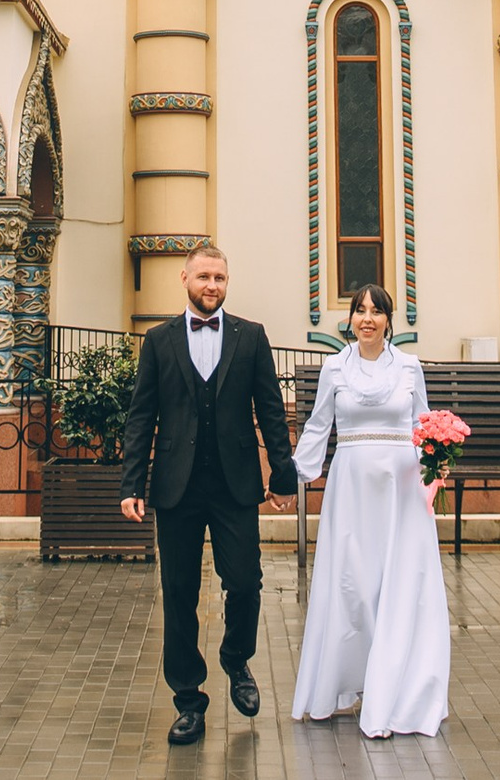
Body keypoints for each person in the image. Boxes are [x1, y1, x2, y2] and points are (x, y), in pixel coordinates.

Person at [116, 244, 297, 745]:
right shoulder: (158, 340)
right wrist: (133, 483)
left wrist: (282, 476)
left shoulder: (251, 337)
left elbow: (271, 411)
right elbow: (140, 416)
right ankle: (189, 701)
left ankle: (236, 660)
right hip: (177, 486)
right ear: (185, 279)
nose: (212, 285)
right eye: (203, 277)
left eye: (219, 277)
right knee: (178, 593)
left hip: (235, 483)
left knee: (245, 581)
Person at [289, 283, 451, 739]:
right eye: (360, 310)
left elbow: (424, 425)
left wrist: (436, 467)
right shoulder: (334, 368)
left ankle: (398, 688)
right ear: (351, 319)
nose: (367, 318)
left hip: (402, 488)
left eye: (376, 311)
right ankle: (349, 681)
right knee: (353, 585)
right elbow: (320, 424)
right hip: (352, 488)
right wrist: (293, 477)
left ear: (388, 320)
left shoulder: (410, 367)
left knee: (401, 585)